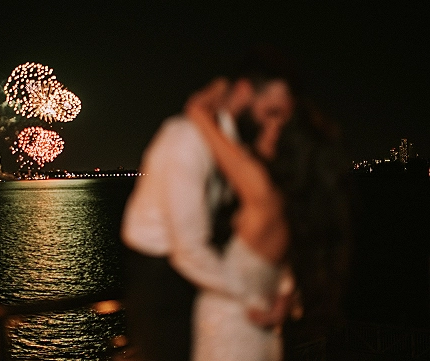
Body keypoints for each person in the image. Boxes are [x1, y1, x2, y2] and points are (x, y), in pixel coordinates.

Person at [120, 45, 303, 361]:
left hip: (212, 272)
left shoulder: (240, 150)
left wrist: (285, 289)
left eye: (283, 119)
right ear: (245, 92)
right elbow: (188, 251)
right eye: (271, 113)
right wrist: (254, 297)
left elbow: (269, 225)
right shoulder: (185, 140)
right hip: (162, 283)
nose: (276, 128)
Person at [183, 76, 352, 359]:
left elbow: (197, 112)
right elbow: (287, 268)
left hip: (229, 335)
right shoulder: (292, 203)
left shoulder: (260, 192)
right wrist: (285, 298)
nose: (267, 126)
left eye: (277, 121)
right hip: (257, 335)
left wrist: (224, 89)